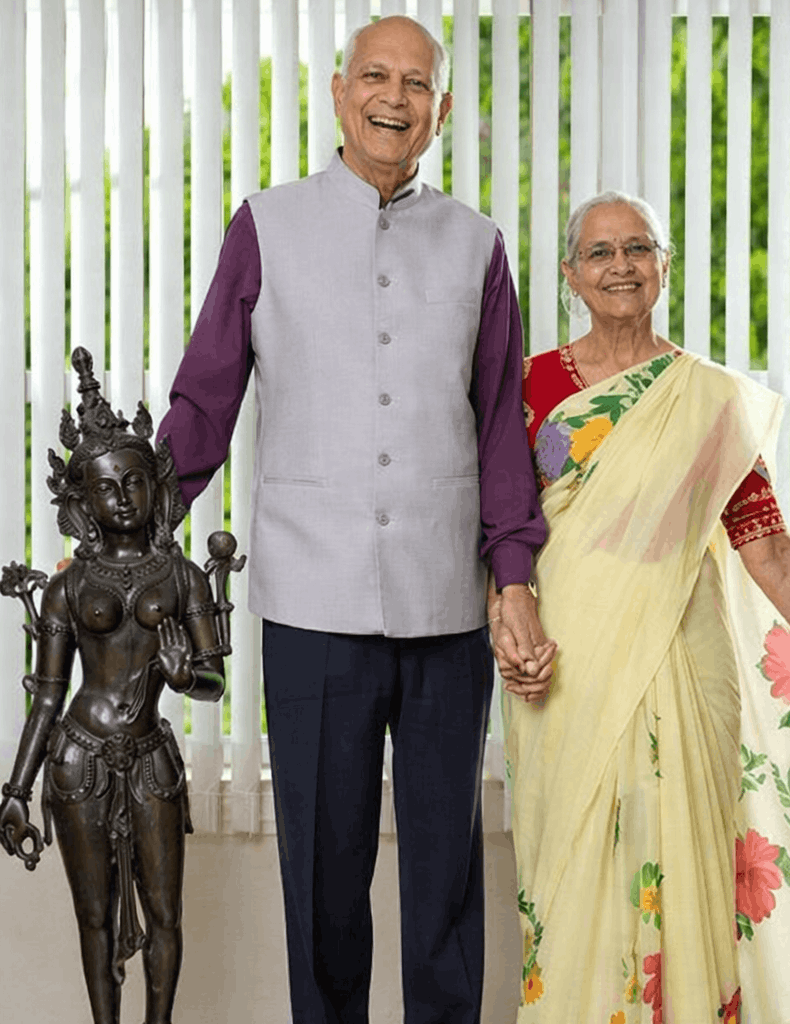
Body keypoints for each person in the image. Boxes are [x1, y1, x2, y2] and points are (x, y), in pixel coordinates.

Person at [155, 15, 549, 1024]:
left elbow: (501, 428)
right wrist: (137, 535)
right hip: (311, 603)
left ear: (442, 110)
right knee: (324, 884)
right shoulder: (267, 225)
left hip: (445, 610)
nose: (395, 96)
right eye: (376, 75)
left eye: (416, 83)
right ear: (338, 92)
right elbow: (204, 402)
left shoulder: (477, 248)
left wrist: (514, 579)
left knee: (445, 886)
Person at [491, 190, 790, 1023]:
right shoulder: (528, 387)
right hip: (560, 668)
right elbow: (495, 530)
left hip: (683, 660)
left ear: (664, 268)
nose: (621, 267)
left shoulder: (704, 402)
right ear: (570, 275)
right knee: (566, 877)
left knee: (688, 870)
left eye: (638, 249)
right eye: (600, 252)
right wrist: (509, 624)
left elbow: (768, 550)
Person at [0, 347, 228, 1024]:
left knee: (166, 914)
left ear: (155, 486)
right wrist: (15, 790)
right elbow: (46, 695)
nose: (123, 498)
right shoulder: (70, 585)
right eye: (106, 487)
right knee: (94, 919)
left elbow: (213, 679)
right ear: (80, 500)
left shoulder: (182, 576)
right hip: (78, 759)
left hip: (151, 757)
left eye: (134, 482)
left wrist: (191, 677)